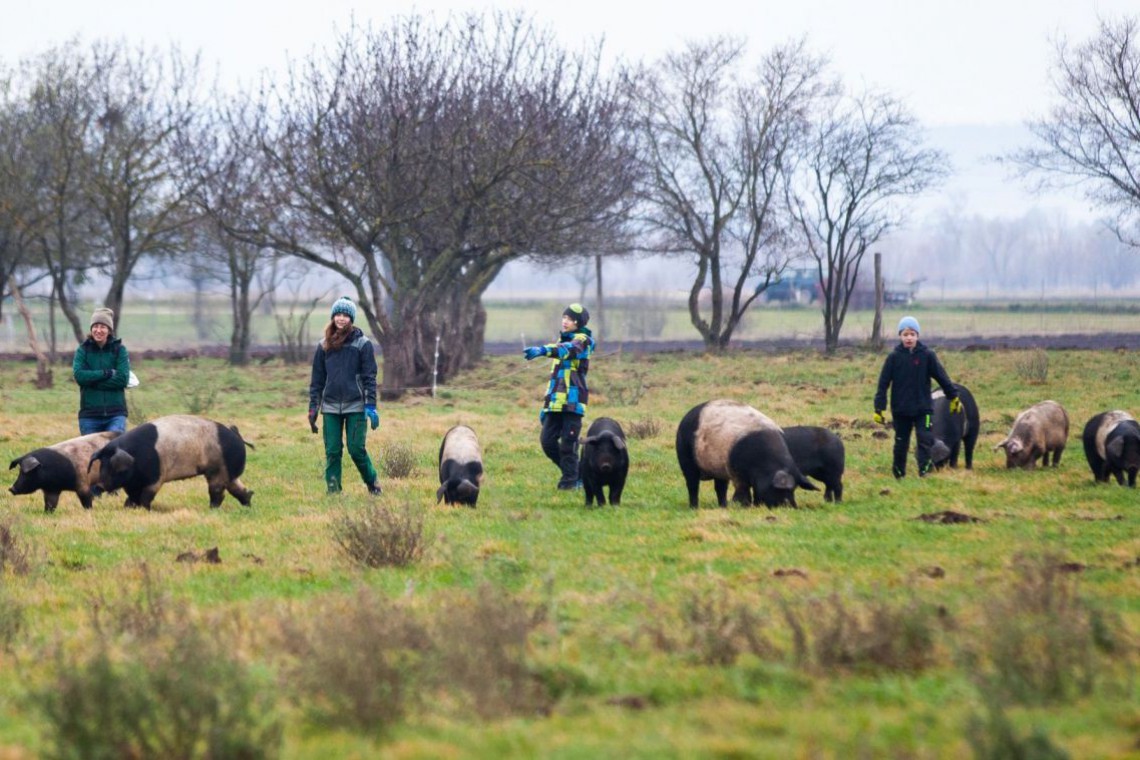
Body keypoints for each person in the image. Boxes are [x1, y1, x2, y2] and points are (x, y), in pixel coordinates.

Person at [308, 296, 382, 496]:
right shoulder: (323, 345)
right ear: (333, 317)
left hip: (356, 406)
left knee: (356, 449)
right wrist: (313, 407)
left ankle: (373, 484)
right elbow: (317, 381)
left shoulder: (363, 344)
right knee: (332, 451)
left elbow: (369, 377)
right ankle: (333, 491)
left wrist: (371, 406)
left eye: (345, 315)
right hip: (331, 407)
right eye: (338, 314)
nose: (341, 319)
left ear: (351, 319)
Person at [873, 315, 961, 478]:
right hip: (901, 410)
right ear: (900, 336)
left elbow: (942, 377)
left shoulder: (927, 355)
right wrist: (879, 408)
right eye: (905, 334)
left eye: (912, 334)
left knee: (925, 440)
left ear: (917, 336)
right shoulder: (893, 358)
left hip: (924, 409)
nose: (909, 338)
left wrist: (953, 396)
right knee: (901, 443)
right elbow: (883, 384)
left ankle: (924, 471)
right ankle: (899, 474)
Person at [523, 303, 595, 490]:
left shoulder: (583, 340)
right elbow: (555, 378)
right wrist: (546, 406)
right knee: (547, 442)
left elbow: (567, 350)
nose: (565, 321)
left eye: (570, 319)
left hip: (572, 402)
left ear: (578, 323)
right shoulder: (561, 340)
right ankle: (578, 474)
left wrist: (542, 350)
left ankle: (570, 483)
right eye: (564, 317)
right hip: (555, 403)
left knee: (568, 445)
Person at [72, 307, 130, 434]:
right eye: (95, 326)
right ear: (91, 328)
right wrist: (107, 373)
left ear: (109, 330)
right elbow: (79, 376)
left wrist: (92, 381)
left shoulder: (120, 350)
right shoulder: (83, 350)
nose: (98, 330)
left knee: (114, 453)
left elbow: (122, 379)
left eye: (103, 327)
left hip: (116, 415)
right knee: (90, 454)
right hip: (89, 416)